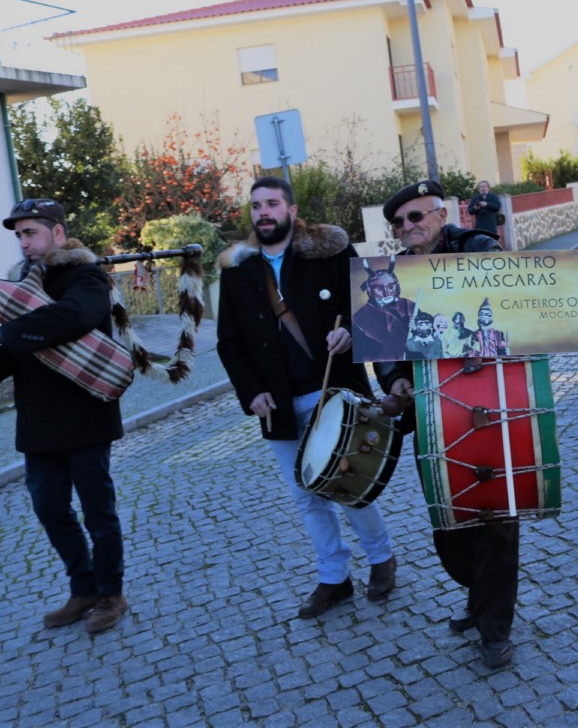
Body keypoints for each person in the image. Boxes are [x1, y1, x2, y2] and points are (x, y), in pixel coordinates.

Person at [216, 176, 397, 618]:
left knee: (347, 483)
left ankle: (380, 557)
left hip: (332, 389)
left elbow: (373, 306)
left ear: (292, 212)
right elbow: (229, 341)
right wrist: (251, 392)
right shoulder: (238, 270)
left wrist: (350, 333)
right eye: (256, 205)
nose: (263, 212)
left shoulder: (330, 252)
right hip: (275, 401)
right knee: (306, 495)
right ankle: (334, 578)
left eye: (273, 204)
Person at [0, 198, 128, 634]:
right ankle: (83, 588)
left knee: (98, 512)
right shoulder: (22, 283)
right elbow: (23, 348)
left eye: (30, 232)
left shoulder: (84, 275)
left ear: (58, 232)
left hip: (85, 412)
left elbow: (73, 318)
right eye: (18, 235)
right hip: (38, 419)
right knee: (49, 507)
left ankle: (111, 593)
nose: (24, 243)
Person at [374, 179, 521, 670]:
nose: (406, 228)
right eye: (398, 222)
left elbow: (517, 308)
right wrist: (394, 380)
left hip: (488, 402)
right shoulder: (392, 275)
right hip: (429, 411)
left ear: (441, 215)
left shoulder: (476, 248)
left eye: (416, 217)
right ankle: (479, 598)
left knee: (496, 520)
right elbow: (385, 340)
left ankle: (495, 628)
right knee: (448, 524)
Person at [352, 258, 415, 361]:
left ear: (397, 286)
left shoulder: (411, 306)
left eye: (391, 287)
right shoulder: (360, 318)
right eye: (379, 289)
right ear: (369, 290)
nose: (386, 294)